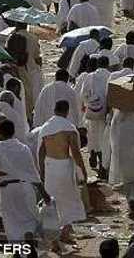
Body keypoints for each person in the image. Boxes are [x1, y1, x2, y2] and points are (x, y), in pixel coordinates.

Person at [34, 99, 89, 242]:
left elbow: (40, 152)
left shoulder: (45, 128)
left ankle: (57, 236)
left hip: (50, 167)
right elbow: (76, 153)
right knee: (69, 199)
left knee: (52, 202)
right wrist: (82, 170)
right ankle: (64, 231)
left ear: (54, 110)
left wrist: (41, 172)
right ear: (67, 111)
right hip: (64, 167)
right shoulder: (69, 128)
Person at [0, 120, 41, 242]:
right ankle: (28, 237)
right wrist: (44, 194)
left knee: (11, 223)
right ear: (14, 131)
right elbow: (33, 174)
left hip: (6, 190)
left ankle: (17, 250)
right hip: (25, 188)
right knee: (28, 219)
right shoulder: (24, 149)